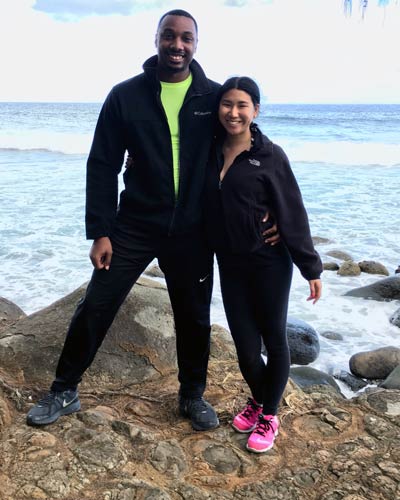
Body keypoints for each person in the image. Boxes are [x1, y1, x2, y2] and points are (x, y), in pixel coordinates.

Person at [26, 11, 279, 431]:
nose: (176, 45)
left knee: (194, 315)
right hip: (135, 223)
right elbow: (102, 165)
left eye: (185, 38)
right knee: (97, 303)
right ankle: (64, 389)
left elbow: (251, 143)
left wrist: (273, 206)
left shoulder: (212, 96)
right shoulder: (126, 96)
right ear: (157, 39)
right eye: (169, 36)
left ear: (196, 44)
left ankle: (191, 395)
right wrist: (100, 231)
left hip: (194, 228)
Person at [203, 76, 323, 452]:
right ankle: (259, 398)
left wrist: (311, 267)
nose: (233, 112)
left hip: (269, 261)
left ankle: (269, 413)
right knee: (244, 345)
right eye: (227, 104)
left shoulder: (270, 155)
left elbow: (291, 210)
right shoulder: (209, 147)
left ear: (256, 110)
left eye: (242, 105)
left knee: (273, 336)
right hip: (230, 262)